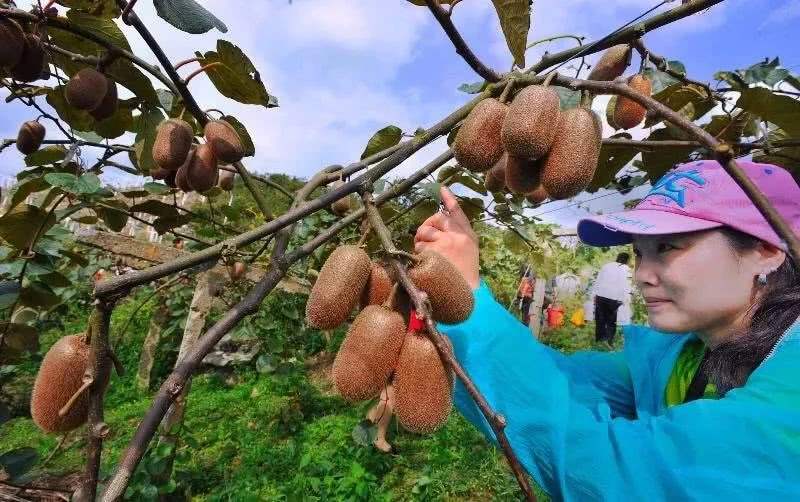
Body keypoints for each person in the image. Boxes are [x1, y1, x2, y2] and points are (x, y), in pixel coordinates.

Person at [413, 160, 800, 500]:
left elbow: (624, 474)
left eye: (667, 247)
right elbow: (562, 381)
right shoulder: (680, 352)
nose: (642, 275)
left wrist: (468, 300)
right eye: (639, 252)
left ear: (765, 251)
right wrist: (461, 302)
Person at [592, 252, 632, 343]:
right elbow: (626, 286)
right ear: (627, 260)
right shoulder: (626, 269)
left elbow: (598, 280)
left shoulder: (606, 266)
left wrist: (594, 295)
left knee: (600, 320)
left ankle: (599, 340)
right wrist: (626, 300)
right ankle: (609, 341)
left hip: (601, 296)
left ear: (617, 257)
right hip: (615, 298)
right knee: (611, 321)